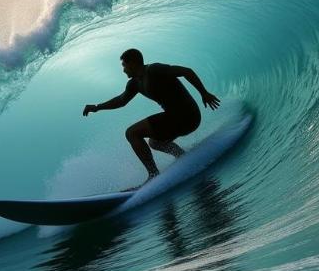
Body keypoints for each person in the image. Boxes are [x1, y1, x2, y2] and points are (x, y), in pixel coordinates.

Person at [82, 48, 221, 184]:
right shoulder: (134, 83)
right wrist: (97, 107)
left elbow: (186, 71)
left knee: (132, 133)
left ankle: (154, 174)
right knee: (155, 142)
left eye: (124, 66)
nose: (123, 70)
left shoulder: (154, 70)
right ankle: (183, 157)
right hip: (177, 120)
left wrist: (204, 93)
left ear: (132, 63)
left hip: (188, 115)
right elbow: (121, 100)